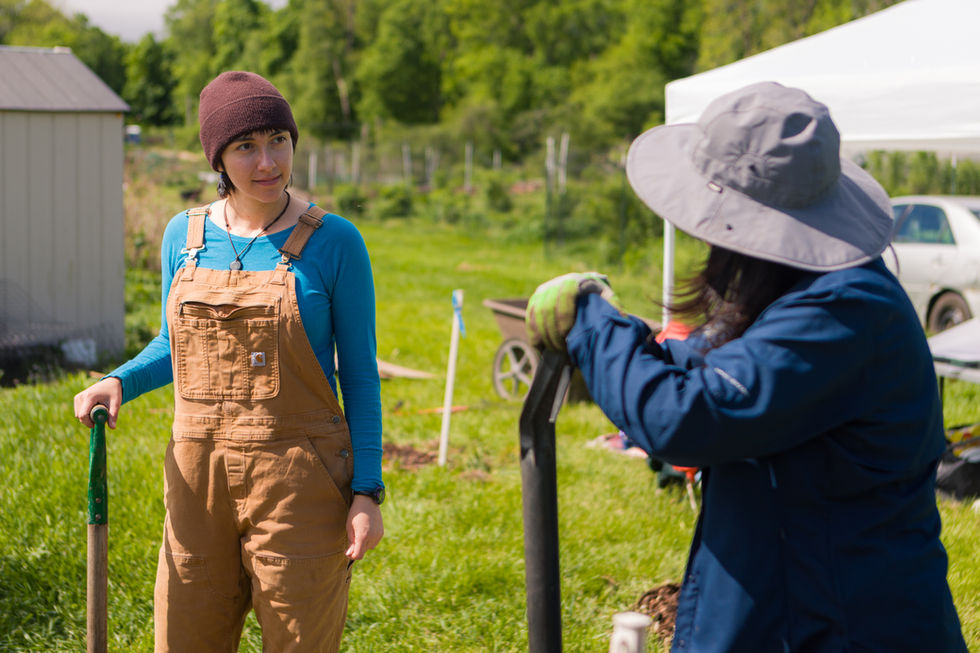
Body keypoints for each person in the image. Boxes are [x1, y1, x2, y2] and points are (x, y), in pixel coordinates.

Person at [526, 82, 967, 652]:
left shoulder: (844, 310)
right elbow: (703, 365)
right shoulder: (801, 294)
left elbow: (684, 417)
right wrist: (623, 337)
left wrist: (591, 321)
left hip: (848, 628)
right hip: (802, 608)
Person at [73, 71, 384, 652]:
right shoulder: (182, 236)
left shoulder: (336, 242)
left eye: (278, 140)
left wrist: (367, 491)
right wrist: (119, 381)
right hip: (198, 485)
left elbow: (361, 377)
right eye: (246, 146)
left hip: (300, 482)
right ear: (217, 157)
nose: (268, 162)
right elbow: (173, 346)